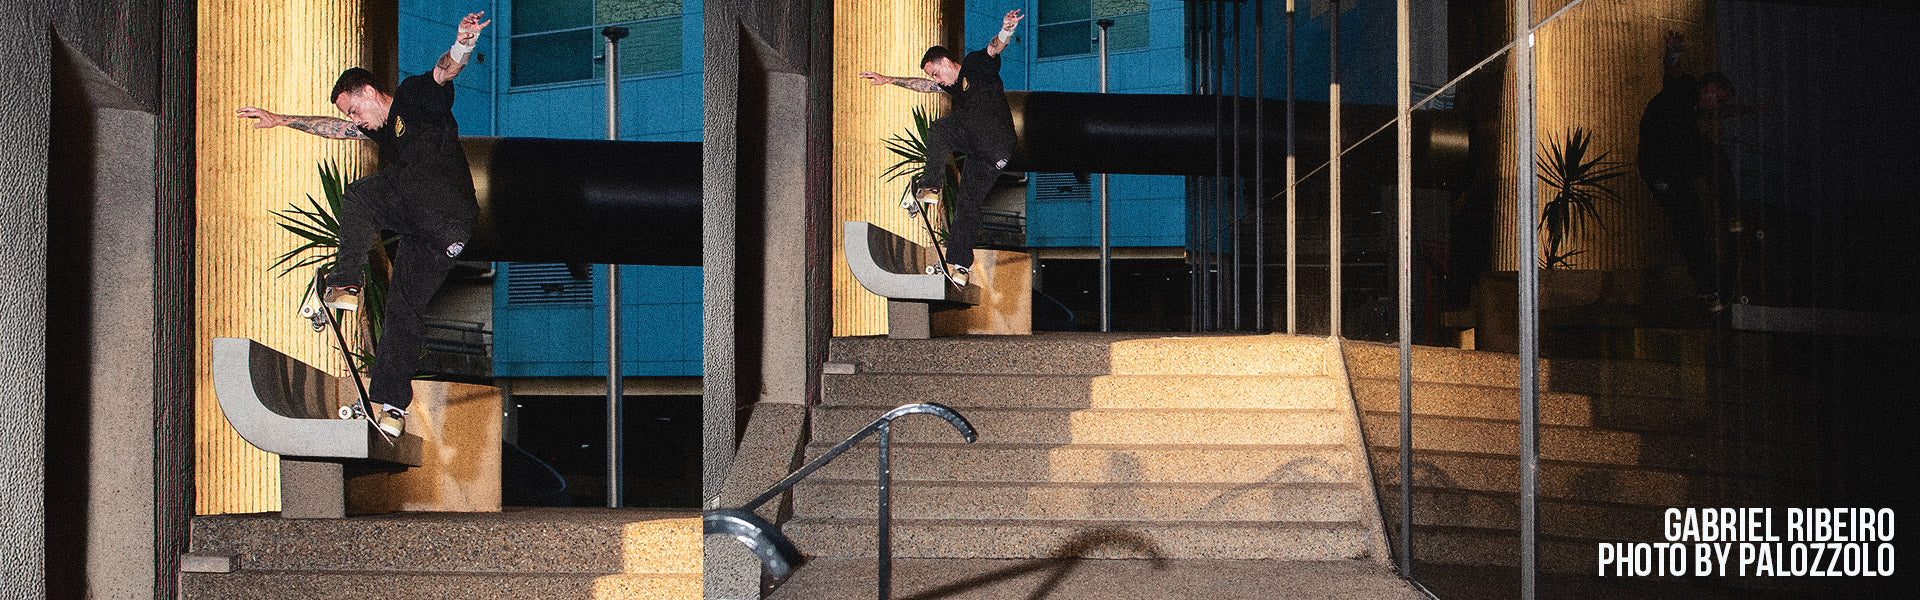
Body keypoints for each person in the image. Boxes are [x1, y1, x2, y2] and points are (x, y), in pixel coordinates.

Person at [236, 12, 490, 436]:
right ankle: (391, 404)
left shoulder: (413, 95)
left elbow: (445, 71)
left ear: (370, 91)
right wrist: (282, 119)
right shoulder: (375, 129)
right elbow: (335, 129)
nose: (355, 120)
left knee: (358, 195)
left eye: (355, 109)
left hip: (439, 198)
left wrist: (463, 44)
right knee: (403, 307)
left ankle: (345, 284)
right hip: (447, 232)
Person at [859, 9, 1025, 287]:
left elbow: (995, 48)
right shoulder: (951, 86)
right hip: (995, 153)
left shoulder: (974, 64)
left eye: (937, 72)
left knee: (939, 129)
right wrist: (889, 79)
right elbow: (924, 86)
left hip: (992, 130)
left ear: (947, 61)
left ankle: (930, 186)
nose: (937, 80)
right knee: (967, 203)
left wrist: (1006, 30)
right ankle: (960, 264)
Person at [1637, 30, 1765, 314]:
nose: (1718, 106)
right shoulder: (1685, 87)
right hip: (1659, 164)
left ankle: (1711, 291)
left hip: (1677, 162)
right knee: (1691, 223)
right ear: (1708, 87)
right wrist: (1674, 51)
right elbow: (1672, 69)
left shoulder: (1699, 104)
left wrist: (1751, 111)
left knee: (1696, 227)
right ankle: (1709, 286)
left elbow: (1721, 114)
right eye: (1718, 98)